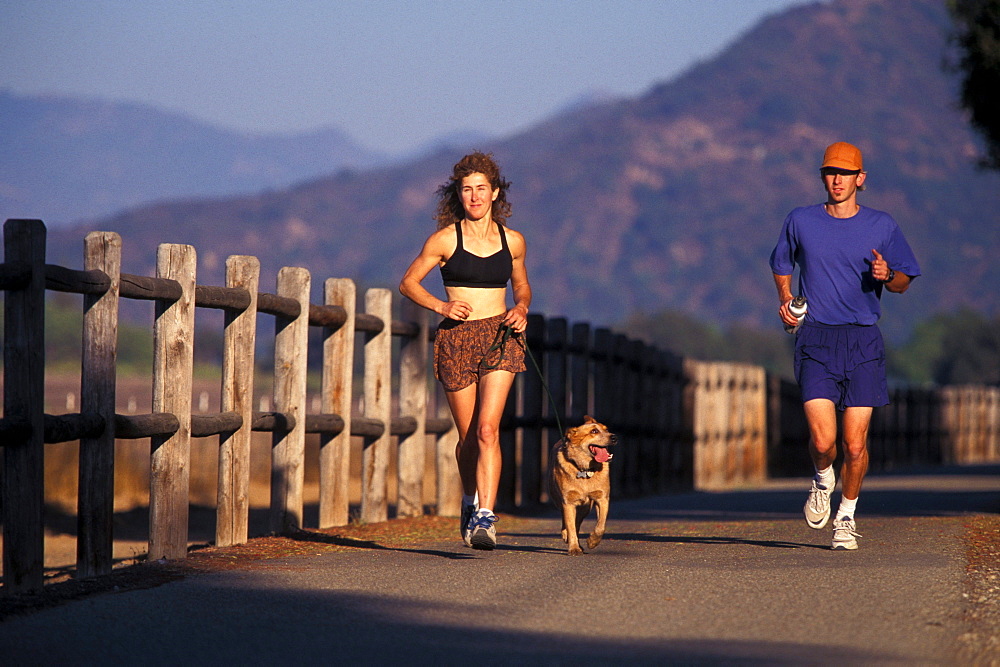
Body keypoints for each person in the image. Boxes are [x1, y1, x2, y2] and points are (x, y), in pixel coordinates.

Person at [769, 141, 921, 550]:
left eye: (846, 173)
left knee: (855, 445)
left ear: (861, 179)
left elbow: (905, 280)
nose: (837, 180)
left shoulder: (882, 225)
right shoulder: (800, 220)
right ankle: (822, 479)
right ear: (822, 177)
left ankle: (847, 517)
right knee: (824, 443)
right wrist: (786, 300)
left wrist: (887, 274)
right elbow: (782, 263)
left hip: (863, 339)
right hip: (816, 337)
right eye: (830, 173)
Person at [400, 151, 531, 550]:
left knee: (490, 429)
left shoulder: (513, 241)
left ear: (494, 193)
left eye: (481, 189)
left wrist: (521, 307)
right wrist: (441, 306)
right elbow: (408, 283)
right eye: (466, 190)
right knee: (469, 438)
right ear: (459, 195)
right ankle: (470, 498)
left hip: (500, 335)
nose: (474, 196)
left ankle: (487, 519)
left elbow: (521, 285)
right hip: (457, 338)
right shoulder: (444, 239)